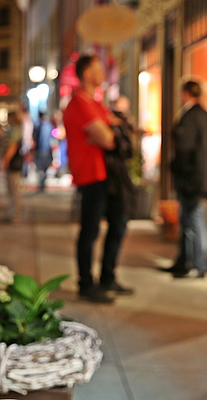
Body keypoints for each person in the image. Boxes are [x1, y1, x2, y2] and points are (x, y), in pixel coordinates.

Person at [63, 55, 133, 303]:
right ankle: (86, 283)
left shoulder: (96, 103)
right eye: (97, 68)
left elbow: (116, 131)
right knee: (90, 230)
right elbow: (109, 139)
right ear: (86, 73)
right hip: (91, 174)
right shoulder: (80, 103)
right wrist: (110, 131)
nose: (102, 71)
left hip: (108, 174)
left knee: (118, 224)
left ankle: (107, 277)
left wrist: (111, 130)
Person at [168, 80, 207, 279]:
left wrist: (175, 168)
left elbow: (184, 149)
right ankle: (186, 261)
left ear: (186, 93)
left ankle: (198, 264)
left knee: (194, 220)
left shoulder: (190, 117)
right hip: (204, 178)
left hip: (191, 179)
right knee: (188, 219)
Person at [2, 110, 23, 223]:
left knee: (13, 189)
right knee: (11, 189)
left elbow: (13, 146)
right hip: (13, 162)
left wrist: (6, 160)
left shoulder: (15, 130)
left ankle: (15, 214)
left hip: (13, 163)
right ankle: (12, 213)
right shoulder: (13, 129)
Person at [33, 112, 54, 191]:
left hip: (41, 150)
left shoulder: (39, 125)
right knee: (44, 167)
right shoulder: (49, 125)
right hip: (47, 149)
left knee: (40, 167)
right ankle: (42, 183)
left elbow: (37, 139)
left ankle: (41, 183)